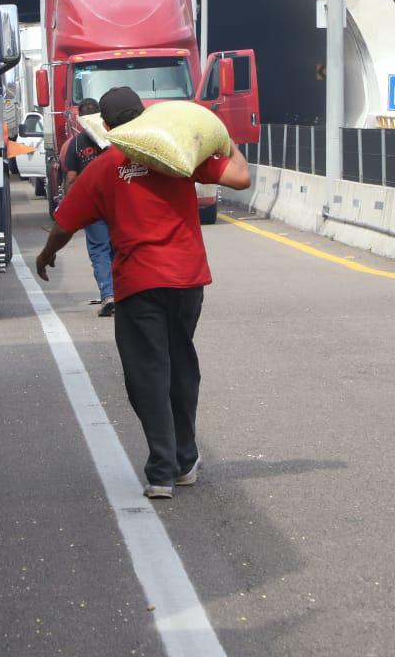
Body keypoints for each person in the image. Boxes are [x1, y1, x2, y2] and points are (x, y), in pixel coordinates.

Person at [34, 86, 251, 499]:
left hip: (138, 285)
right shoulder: (179, 154)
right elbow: (240, 178)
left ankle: (161, 471)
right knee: (181, 364)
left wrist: (46, 254)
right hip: (187, 281)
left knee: (146, 373)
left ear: (109, 127)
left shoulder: (104, 165)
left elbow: (65, 224)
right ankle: (185, 460)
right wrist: (230, 144)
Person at [62, 98, 115, 316]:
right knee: (118, 247)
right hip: (117, 202)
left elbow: (72, 179)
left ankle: (108, 294)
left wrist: (69, 209)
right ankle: (126, 293)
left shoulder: (75, 144)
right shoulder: (115, 138)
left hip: (93, 206)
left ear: (81, 119)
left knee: (99, 250)